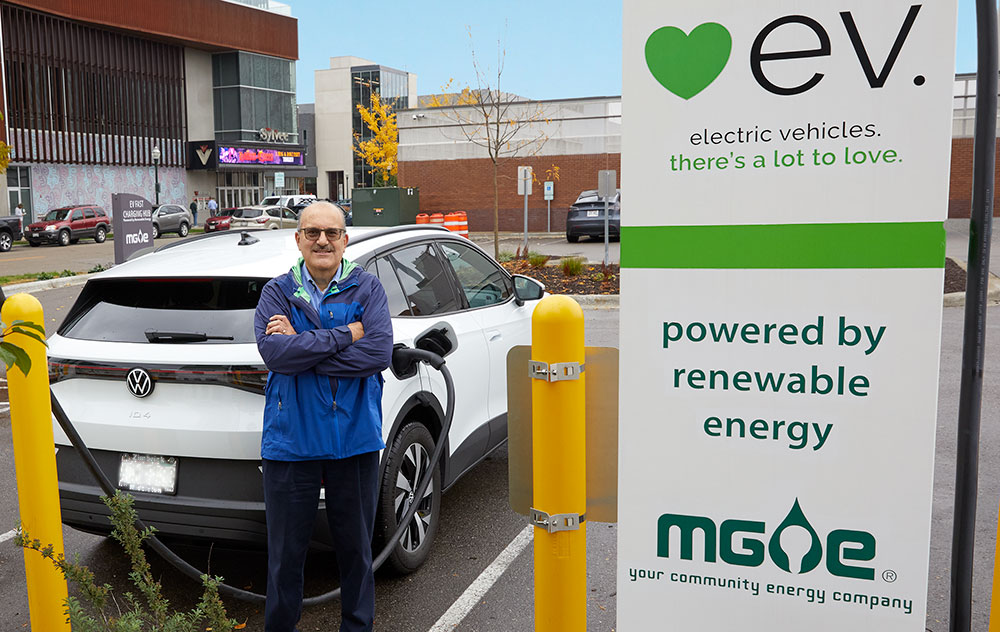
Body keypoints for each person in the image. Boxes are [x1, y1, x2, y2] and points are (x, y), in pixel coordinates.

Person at [253, 202, 393, 632]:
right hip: (291, 441)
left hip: (354, 439)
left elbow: (378, 353)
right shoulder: (276, 292)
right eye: (312, 232)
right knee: (285, 560)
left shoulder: (367, 289)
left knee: (355, 554)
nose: (322, 241)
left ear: (345, 240)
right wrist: (345, 334)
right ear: (298, 240)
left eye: (332, 233)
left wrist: (304, 346)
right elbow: (275, 353)